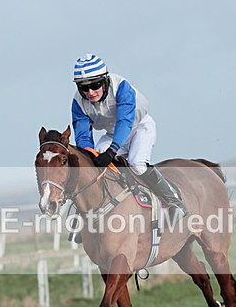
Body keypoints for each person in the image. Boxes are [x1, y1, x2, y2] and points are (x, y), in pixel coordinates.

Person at [70, 54, 188, 221]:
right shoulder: (78, 102)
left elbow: (125, 122)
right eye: (84, 87)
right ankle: (91, 214)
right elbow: (83, 137)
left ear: (105, 80)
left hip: (140, 127)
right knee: (95, 164)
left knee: (137, 163)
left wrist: (112, 151)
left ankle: (174, 201)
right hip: (113, 134)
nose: (90, 92)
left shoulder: (121, 87)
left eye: (95, 85)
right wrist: (90, 156)